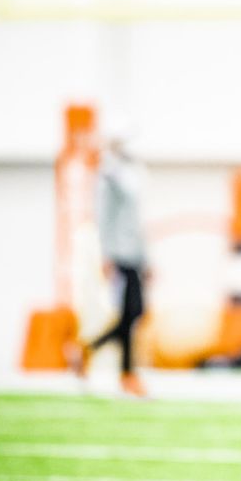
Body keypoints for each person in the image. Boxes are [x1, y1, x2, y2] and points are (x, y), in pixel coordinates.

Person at [86, 133, 150, 398]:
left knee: (134, 314)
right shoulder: (109, 175)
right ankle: (127, 374)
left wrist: (146, 259)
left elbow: (138, 222)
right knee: (130, 314)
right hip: (120, 255)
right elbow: (105, 218)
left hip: (134, 254)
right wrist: (106, 255)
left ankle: (90, 349)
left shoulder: (132, 173)